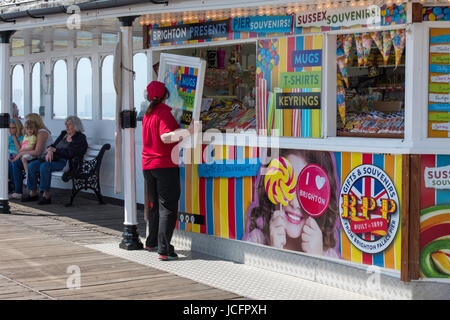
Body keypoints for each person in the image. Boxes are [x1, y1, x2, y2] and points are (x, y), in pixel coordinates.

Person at [242, 149, 341, 259]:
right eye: (288, 185)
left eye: (306, 191)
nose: (294, 203)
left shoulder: (327, 256)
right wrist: (272, 253)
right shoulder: (257, 241)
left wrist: (317, 259)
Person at [142, 80, 194, 261]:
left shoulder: (147, 114)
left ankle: (152, 241)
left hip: (148, 166)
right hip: (164, 165)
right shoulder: (163, 113)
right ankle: (164, 249)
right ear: (165, 95)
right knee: (168, 207)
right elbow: (165, 137)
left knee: (155, 206)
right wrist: (189, 131)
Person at [24, 115, 88, 205]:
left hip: (66, 162)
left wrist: (55, 150)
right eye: (66, 124)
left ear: (76, 125)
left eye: (69, 124)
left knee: (45, 166)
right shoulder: (64, 134)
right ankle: (33, 192)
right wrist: (50, 150)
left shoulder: (80, 138)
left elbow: (71, 153)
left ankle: (46, 195)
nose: (67, 126)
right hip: (54, 158)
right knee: (32, 165)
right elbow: (53, 145)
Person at [10, 113, 53, 199]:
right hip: (35, 157)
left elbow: (37, 152)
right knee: (16, 164)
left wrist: (21, 153)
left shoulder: (42, 132)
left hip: (43, 158)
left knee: (31, 165)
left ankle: (33, 191)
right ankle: (18, 191)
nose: (27, 124)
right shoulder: (32, 134)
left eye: (28, 121)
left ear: (34, 122)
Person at [8, 118, 23, 194]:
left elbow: (20, 150)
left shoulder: (21, 137)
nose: (11, 130)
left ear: (18, 127)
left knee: (12, 164)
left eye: (13, 128)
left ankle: (12, 184)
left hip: (18, 156)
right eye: (9, 128)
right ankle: (8, 184)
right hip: (9, 156)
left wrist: (14, 138)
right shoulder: (9, 137)